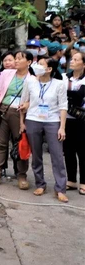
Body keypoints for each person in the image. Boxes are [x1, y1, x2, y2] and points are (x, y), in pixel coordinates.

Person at [21, 58, 68, 202]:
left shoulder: (59, 84)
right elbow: (24, 101)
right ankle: (40, 184)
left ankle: (60, 189)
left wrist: (62, 127)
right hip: (33, 119)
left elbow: (63, 106)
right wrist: (21, 122)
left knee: (57, 155)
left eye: (41, 64)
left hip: (52, 121)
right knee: (36, 155)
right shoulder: (30, 81)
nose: (37, 66)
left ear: (49, 69)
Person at [0, 50, 34, 189]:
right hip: (3, 109)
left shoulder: (32, 79)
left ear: (29, 62)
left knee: (20, 143)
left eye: (20, 59)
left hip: (20, 113)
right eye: (16, 58)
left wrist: (28, 104)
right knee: (0, 143)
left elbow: (36, 98)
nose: (16, 61)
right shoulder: (6, 74)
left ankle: (21, 175)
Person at [64, 50, 85, 195]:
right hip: (67, 119)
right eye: (72, 59)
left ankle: (84, 181)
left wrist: (67, 94)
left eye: (76, 60)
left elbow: (79, 97)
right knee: (68, 150)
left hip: (82, 119)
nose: (72, 61)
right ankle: (71, 180)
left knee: (83, 152)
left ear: (83, 64)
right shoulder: (65, 77)